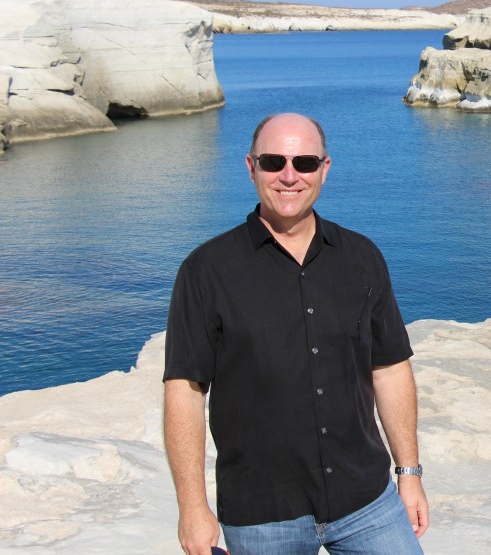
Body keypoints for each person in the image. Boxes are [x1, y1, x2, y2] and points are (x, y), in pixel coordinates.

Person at [163, 113, 428, 555]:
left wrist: (410, 473)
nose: (289, 176)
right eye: (273, 162)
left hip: (366, 500)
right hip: (262, 514)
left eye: (305, 162)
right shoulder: (205, 271)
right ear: (251, 167)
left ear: (324, 169)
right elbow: (185, 391)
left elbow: (390, 368)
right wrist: (192, 508)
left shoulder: (362, 257)